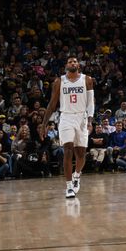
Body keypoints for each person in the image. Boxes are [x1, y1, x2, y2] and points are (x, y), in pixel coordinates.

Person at [42, 56, 94, 198]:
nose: (72, 63)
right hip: (65, 117)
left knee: (81, 154)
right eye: (70, 61)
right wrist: (44, 124)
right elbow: (52, 104)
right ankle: (69, 186)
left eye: (75, 61)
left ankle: (77, 175)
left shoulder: (87, 80)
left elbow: (91, 103)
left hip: (82, 117)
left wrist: (90, 121)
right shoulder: (59, 81)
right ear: (66, 65)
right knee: (68, 150)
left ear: (79, 65)